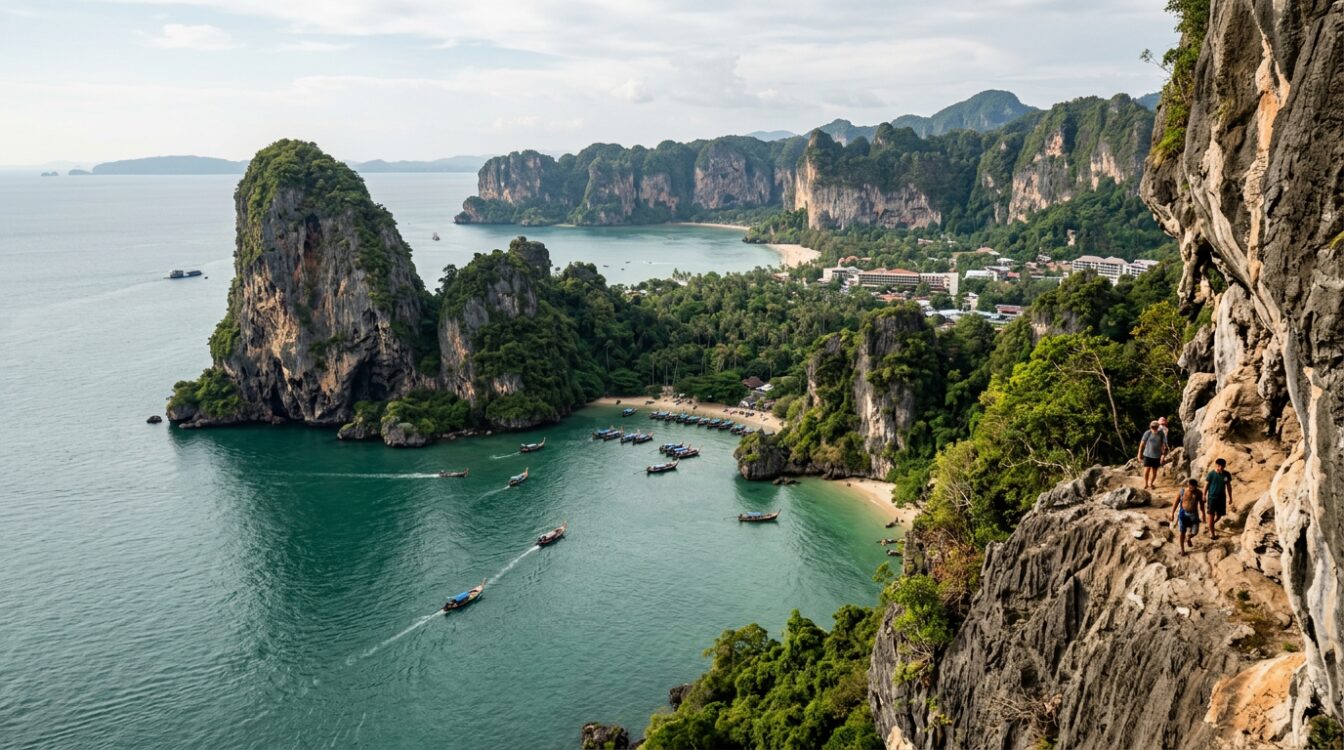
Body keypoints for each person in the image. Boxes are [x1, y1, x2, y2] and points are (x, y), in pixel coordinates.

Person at [1171, 478, 1205, 556]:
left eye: (1193, 487)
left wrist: (1203, 514)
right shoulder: (1182, 491)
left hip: (1194, 514)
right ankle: (1182, 550)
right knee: (1182, 533)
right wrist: (1172, 513)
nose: (1191, 488)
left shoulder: (1199, 493)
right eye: (1190, 486)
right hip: (1183, 514)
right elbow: (1176, 502)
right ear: (1188, 485)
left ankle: (1189, 537)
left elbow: (1201, 504)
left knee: (1195, 532)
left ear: (1196, 486)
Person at [1205, 458, 1233, 539]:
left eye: (1222, 466)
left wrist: (1230, 497)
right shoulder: (1211, 474)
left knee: (1219, 516)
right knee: (1211, 515)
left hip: (1222, 498)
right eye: (1219, 465)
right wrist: (1204, 495)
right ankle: (1212, 534)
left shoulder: (1226, 474)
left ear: (1224, 466)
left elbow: (1228, 486)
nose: (1221, 467)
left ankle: (1210, 525)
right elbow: (1206, 485)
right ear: (1216, 465)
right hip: (1212, 498)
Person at [1137, 420, 1167, 490]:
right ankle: (1146, 483)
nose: (1154, 428)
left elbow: (1163, 445)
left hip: (1157, 455)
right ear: (1150, 427)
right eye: (1152, 427)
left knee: (1154, 471)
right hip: (1147, 454)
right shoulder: (1147, 433)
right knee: (1146, 470)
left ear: (1158, 427)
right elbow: (1141, 444)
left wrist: (1163, 455)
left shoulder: (1161, 433)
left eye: (1155, 427)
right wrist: (1139, 454)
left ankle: (1151, 483)